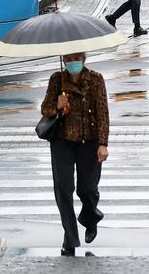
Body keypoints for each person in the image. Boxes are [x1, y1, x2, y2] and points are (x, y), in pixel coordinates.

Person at [40, 53, 109, 257]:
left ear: (84, 59)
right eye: (69, 59)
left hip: (89, 142)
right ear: (64, 61)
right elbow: (45, 109)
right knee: (63, 188)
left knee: (87, 189)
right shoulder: (57, 79)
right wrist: (57, 106)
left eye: (76, 58)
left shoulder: (96, 79)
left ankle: (90, 218)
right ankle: (69, 238)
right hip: (62, 141)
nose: (73, 63)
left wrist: (103, 143)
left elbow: (103, 113)